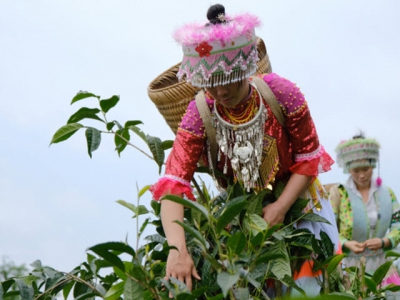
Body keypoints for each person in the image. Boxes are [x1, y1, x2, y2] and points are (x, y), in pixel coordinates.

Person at [150, 4, 339, 297]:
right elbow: (174, 183)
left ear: (244, 68)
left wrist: (280, 207)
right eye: (210, 84)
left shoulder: (281, 93)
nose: (221, 92)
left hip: (299, 206)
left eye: (227, 80)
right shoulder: (199, 114)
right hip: (242, 218)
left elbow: (307, 157)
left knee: (308, 290)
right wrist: (177, 249)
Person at [330, 133, 400, 287]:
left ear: (373, 165)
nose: (361, 175)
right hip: (349, 266)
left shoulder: (387, 193)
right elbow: (329, 228)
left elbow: (397, 224)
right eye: (356, 170)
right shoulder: (339, 193)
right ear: (348, 168)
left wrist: (384, 241)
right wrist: (346, 244)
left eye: (366, 169)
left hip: (382, 264)